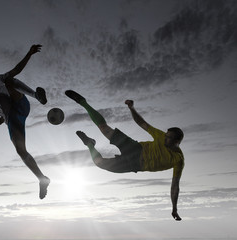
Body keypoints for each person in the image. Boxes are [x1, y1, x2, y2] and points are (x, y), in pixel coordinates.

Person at [65, 90, 184, 220]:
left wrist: (174, 208)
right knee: (105, 129)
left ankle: (89, 143)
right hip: (136, 148)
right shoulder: (161, 136)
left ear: (177, 142)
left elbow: (175, 186)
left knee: (99, 163)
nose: (165, 138)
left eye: (169, 138)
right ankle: (83, 102)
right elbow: (142, 123)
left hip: (135, 164)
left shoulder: (178, 160)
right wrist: (132, 108)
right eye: (166, 135)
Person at [0, 44, 50, 199]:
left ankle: (37, 96)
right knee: (21, 151)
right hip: (12, 119)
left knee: (8, 79)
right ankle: (42, 179)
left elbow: (17, 69)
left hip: (20, 104)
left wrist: (29, 53)